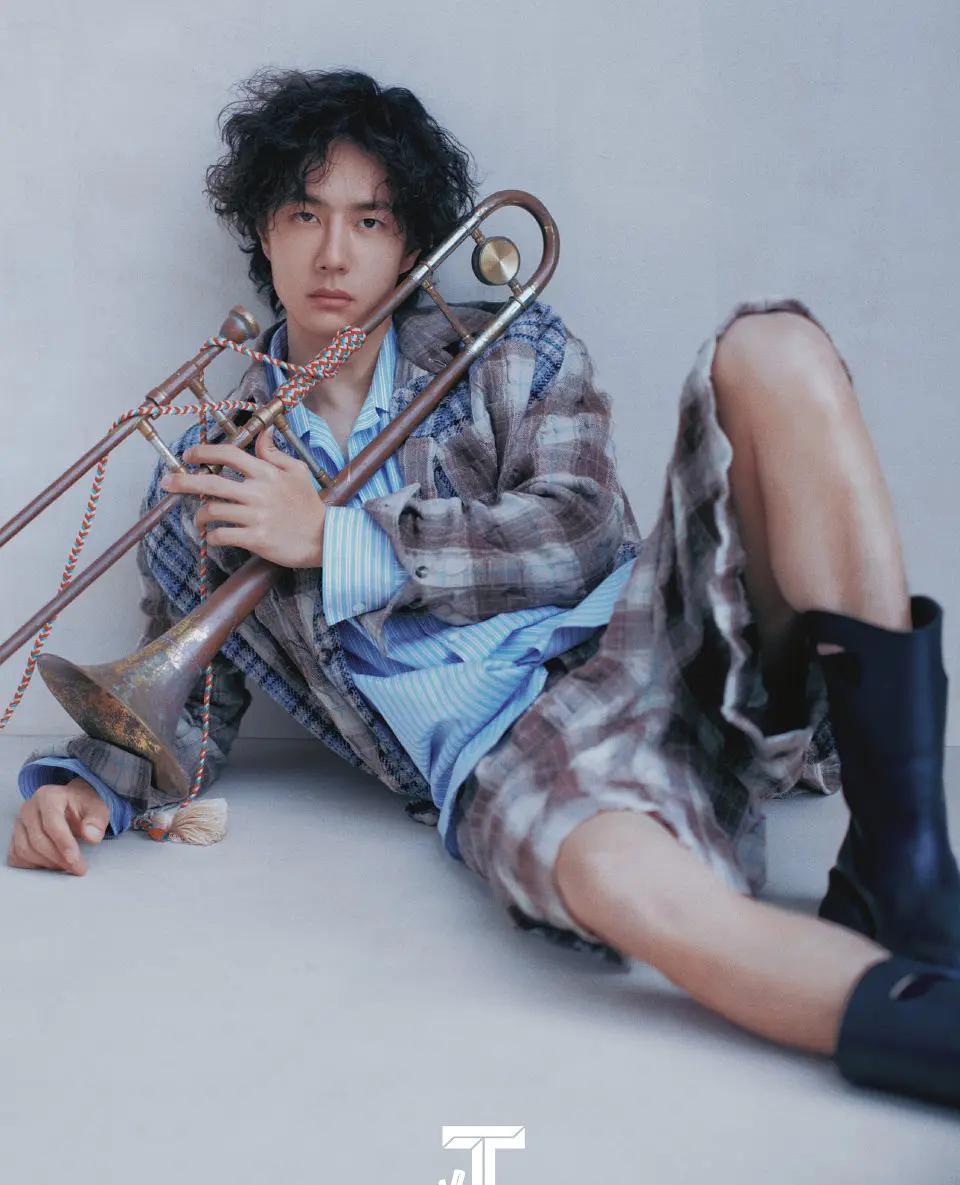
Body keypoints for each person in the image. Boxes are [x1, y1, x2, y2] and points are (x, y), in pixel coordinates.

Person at [7, 68, 960, 1110]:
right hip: (504, 749)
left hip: (646, 638)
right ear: (262, 234)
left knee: (772, 346)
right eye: (304, 214)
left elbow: (582, 533)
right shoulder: (211, 475)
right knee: (625, 891)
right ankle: (929, 1033)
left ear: (411, 242)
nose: (335, 253)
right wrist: (88, 787)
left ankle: (904, 866)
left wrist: (336, 538)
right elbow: (181, 695)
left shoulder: (512, 349)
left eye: (371, 219)